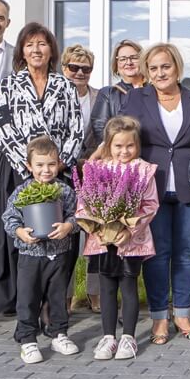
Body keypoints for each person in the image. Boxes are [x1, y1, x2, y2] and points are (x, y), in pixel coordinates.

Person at [126, 43, 190, 343]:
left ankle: (182, 313)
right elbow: (121, 133)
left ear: (177, 68)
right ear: (147, 72)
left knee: (186, 254)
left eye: (165, 66)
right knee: (157, 255)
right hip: (150, 189)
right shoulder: (136, 98)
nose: (160, 73)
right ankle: (159, 318)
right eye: (154, 68)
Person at [0, 22, 84, 316]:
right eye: (30, 45)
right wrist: (29, 167)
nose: (36, 49)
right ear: (22, 51)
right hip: (18, 170)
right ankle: (21, 301)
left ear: (51, 49)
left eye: (42, 44)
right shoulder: (8, 85)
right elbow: (1, 129)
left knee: (58, 235)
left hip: (58, 170)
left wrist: (60, 160)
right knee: (21, 234)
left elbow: (76, 127)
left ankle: (52, 304)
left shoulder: (65, 85)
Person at [80, 117, 159, 360]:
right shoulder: (99, 169)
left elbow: (150, 205)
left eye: (130, 146)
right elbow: (85, 202)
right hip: (103, 240)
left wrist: (129, 231)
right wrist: (96, 227)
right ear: (108, 145)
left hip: (130, 241)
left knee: (128, 286)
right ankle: (108, 337)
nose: (124, 151)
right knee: (106, 287)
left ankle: (128, 337)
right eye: (118, 146)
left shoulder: (144, 170)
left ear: (137, 146)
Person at [4, 137, 80, 363]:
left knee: (58, 296)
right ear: (29, 166)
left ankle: (59, 334)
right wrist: (20, 233)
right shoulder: (22, 191)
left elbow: (78, 216)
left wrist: (69, 226)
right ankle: (28, 340)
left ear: (58, 164)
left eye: (51, 164)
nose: (46, 170)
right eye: (40, 165)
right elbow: (9, 218)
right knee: (28, 297)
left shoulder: (64, 191)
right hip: (30, 255)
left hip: (58, 254)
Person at [61, 43, 98, 310]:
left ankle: (95, 294)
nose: (79, 73)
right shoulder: (55, 95)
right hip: (63, 172)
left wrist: (92, 159)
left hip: (94, 173)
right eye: (73, 67)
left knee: (95, 233)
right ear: (64, 68)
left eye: (85, 68)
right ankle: (65, 294)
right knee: (66, 234)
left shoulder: (99, 96)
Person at [86, 39, 146, 156]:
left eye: (134, 57)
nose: (129, 62)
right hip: (121, 157)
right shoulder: (108, 93)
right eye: (123, 59)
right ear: (116, 65)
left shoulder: (155, 90)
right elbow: (101, 131)